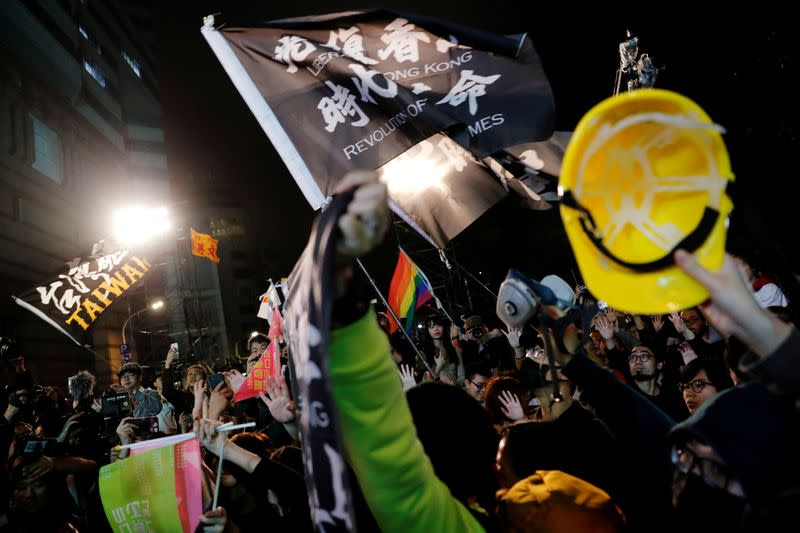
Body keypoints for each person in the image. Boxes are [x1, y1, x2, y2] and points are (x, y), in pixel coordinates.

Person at [627, 344, 688, 421]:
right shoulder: (623, 396)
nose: (638, 361)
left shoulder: (672, 401)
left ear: (659, 364)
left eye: (644, 356)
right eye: (633, 356)